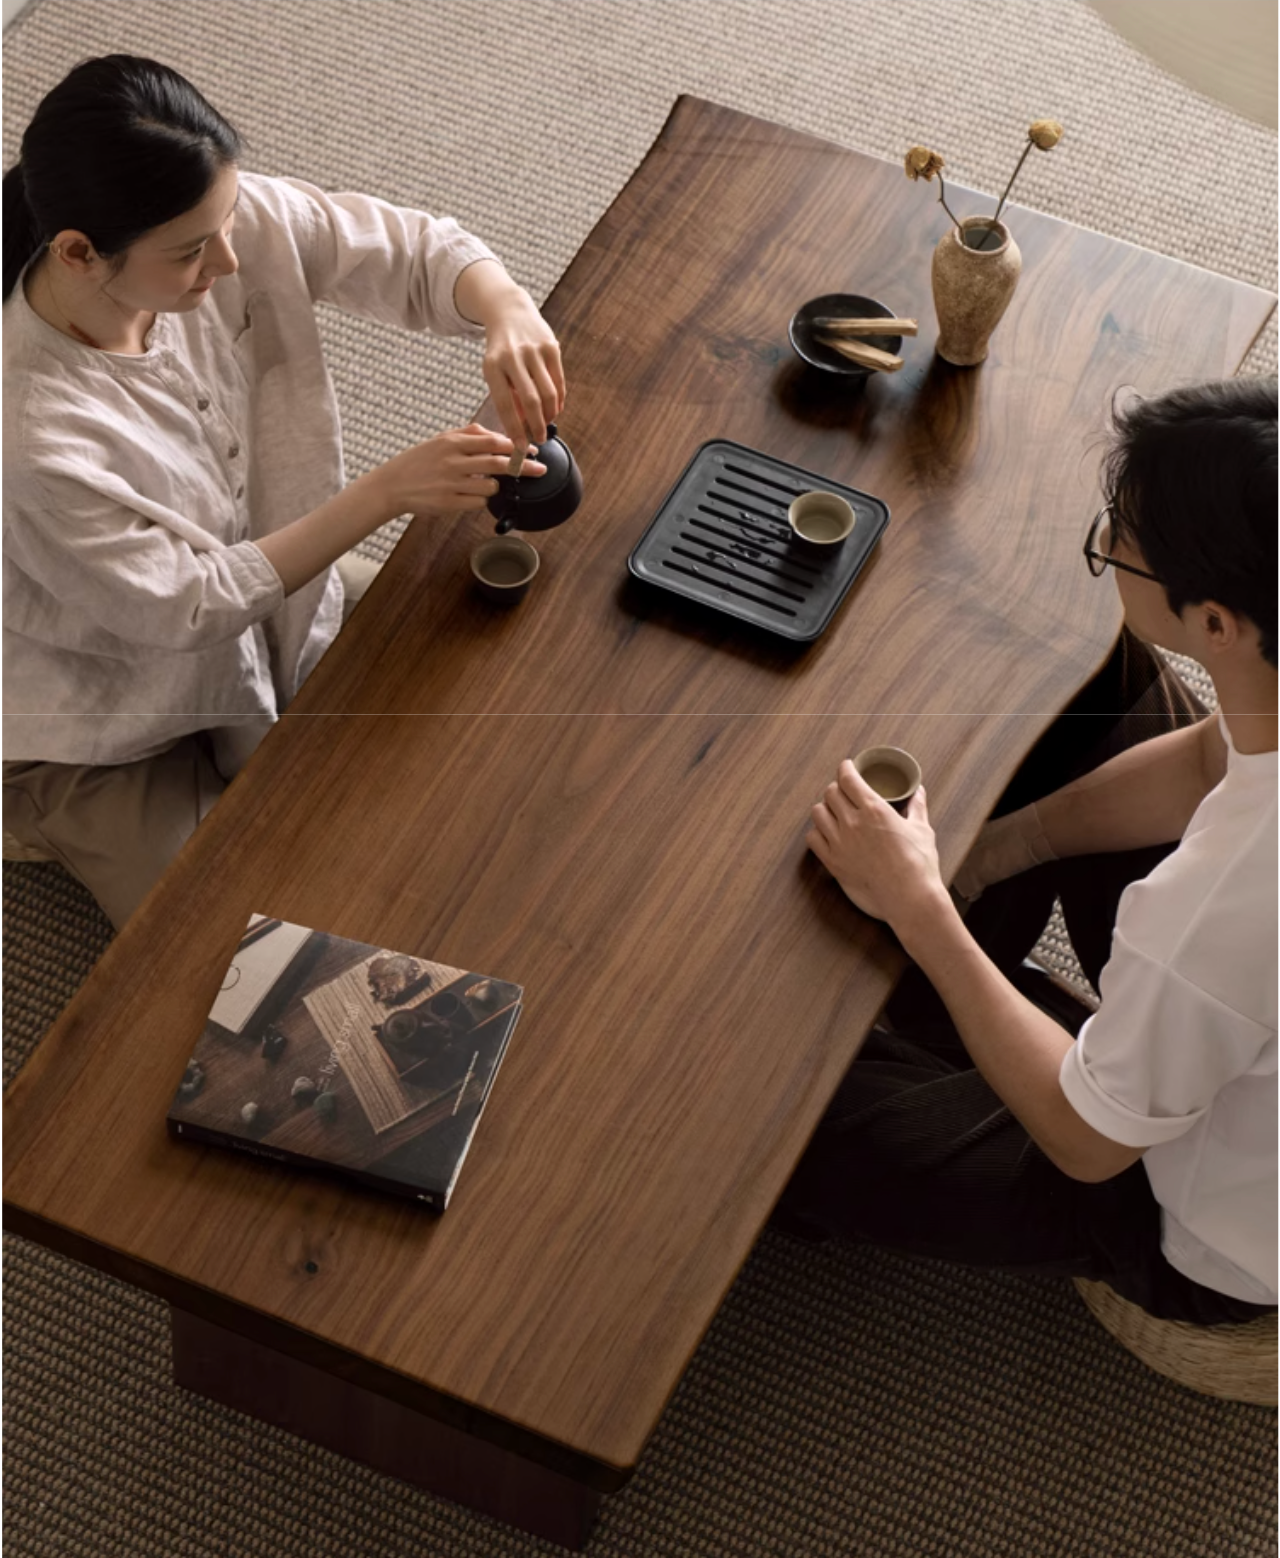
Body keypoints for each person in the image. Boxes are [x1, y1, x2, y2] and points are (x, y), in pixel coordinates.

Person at [3, 55, 566, 929]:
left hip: (264, 600)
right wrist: (386, 492)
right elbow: (187, 606)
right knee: (238, 935)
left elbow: (409, 249)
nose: (230, 259)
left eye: (226, 223)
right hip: (96, 710)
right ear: (78, 252)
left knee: (476, 688)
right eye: (193, 250)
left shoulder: (216, 222)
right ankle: (38, 810)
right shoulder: (34, 431)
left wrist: (507, 309)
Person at [780, 378, 1277, 1326]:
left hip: (1194, 1220)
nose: (1109, 554)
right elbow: (1221, 752)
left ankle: (930, 995)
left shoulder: (1222, 909)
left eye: (1117, 547)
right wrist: (994, 852)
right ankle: (961, 975)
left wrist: (922, 911)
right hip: (1239, 1043)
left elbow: (1091, 1145)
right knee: (1114, 680)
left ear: (1218, 621)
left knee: (767, 1115)